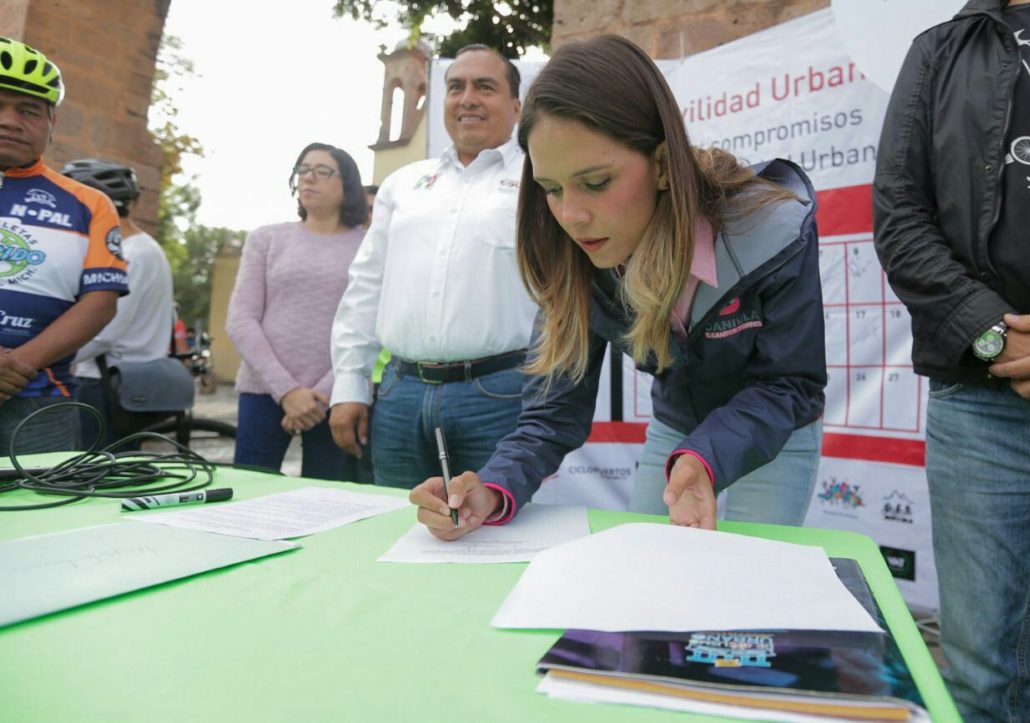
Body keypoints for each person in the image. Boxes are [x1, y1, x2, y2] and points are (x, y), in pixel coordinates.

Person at [409, 35, 826, 537]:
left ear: (664, 165)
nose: (571, 216)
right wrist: (492, 490)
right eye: (551, 189)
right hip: (677, 431)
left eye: (597, 182)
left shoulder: (774, 230)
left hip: (774, 432)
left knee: (759, 586)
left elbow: (790, 384)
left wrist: (705, 455)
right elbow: (551, 413)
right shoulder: (574, 261)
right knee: (649, 576)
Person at [873, 1, 1030, 720]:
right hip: (982, 400)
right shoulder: (940, 49)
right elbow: (898, 214)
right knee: (981, 683)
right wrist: (997, 337)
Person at [330, 45, 538, 488]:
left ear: (516, 105)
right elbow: (367, 284)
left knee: (495, 534)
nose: (467, 98)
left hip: (499, 396)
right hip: (400, 395)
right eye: (456, 87)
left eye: (485, 87)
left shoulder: (540, 182)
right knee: (394, 531)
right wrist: (349, 385)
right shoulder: (403, 184)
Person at [0, 37, 128, 453]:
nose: (10, 120)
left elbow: (101, 302)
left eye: (28, 110)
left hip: (41, 399)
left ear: (51, 124)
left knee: (43, 517)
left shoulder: (90, 204)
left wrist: (17, 363)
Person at [226, 142, 368, 480]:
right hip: (265, 390)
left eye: (322, 172)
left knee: (326, 503)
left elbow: (371, 325)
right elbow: (240, 319)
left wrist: (323, 396)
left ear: (346, 184)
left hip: (337, 397)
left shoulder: (370, 244)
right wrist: (287, 391)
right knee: (247, 494)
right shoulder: (267, 239)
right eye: (303, 170)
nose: (309, 178)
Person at [62, 160, 173, 448]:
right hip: (123, 382)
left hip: (104, 383)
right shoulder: (144, 249)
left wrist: (45, 360)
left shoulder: (130, 254)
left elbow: (103, 330)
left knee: (91, 476)